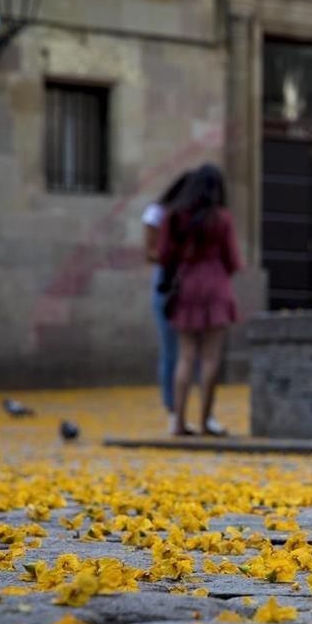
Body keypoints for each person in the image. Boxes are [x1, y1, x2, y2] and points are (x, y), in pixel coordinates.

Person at [158, 164, 240, 436]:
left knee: (185, 356)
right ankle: (206, 419)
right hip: (216, 283)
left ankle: (178, 420)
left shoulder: (176, 217)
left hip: (188, 283)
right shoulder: (222, 218)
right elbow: (232, 259)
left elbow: (165, 255)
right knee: (210, 358)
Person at [143, 171, 193, 432]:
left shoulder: (189, 215)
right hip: (168, 278)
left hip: (188, 280)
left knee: (187, 350)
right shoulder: (158, 213)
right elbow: (149, 252)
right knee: (171, 349)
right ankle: (172, 406)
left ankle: (182, 408)